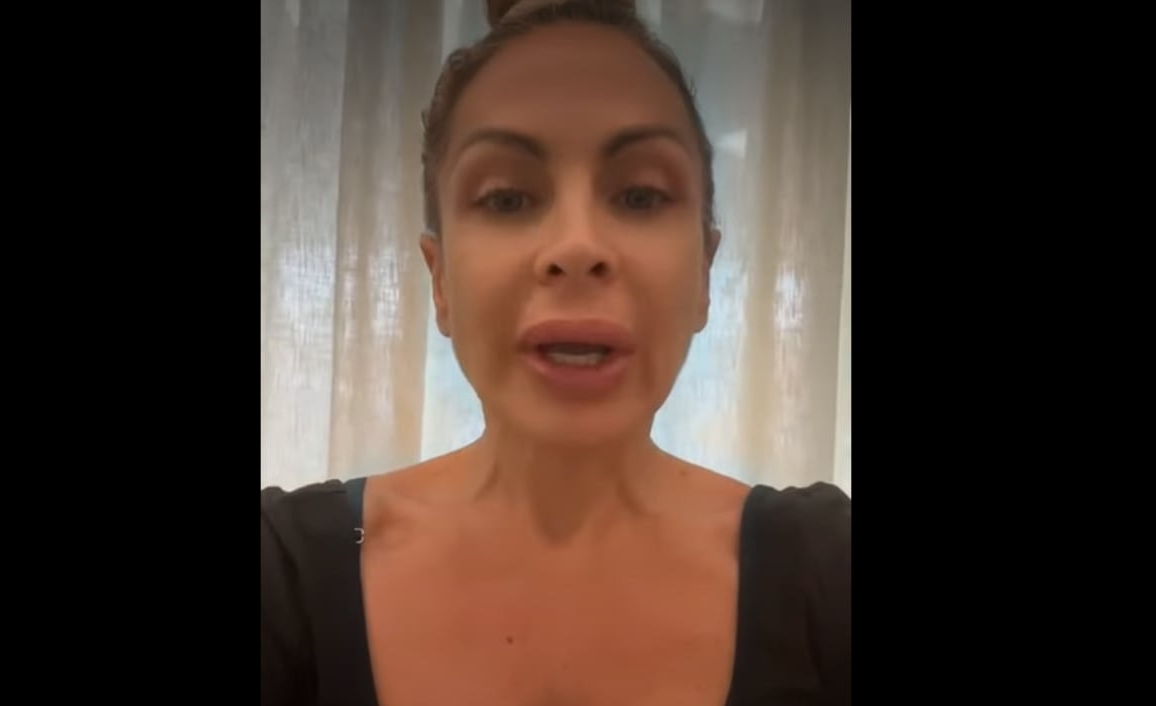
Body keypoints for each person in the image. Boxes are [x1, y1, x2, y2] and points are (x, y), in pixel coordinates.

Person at [260, 1, 850, 704]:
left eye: (640, 195)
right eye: (508, 198)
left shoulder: (829, 574)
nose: (577, 247)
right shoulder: (281, 575)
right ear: (440, 280)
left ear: (704, 274)